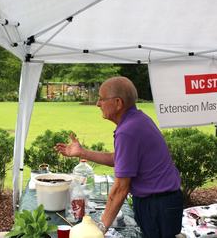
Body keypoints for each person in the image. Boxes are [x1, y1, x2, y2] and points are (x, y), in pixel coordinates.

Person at [55, 76, 183, 237]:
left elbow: (121, 188)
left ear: (118, 103)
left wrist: (100, 229)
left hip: (158, 205)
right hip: (160, 201)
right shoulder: (136, 120)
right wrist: (82, 152)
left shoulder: (128, 131)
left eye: (101, 99)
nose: (97, 104)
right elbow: (121, 159)